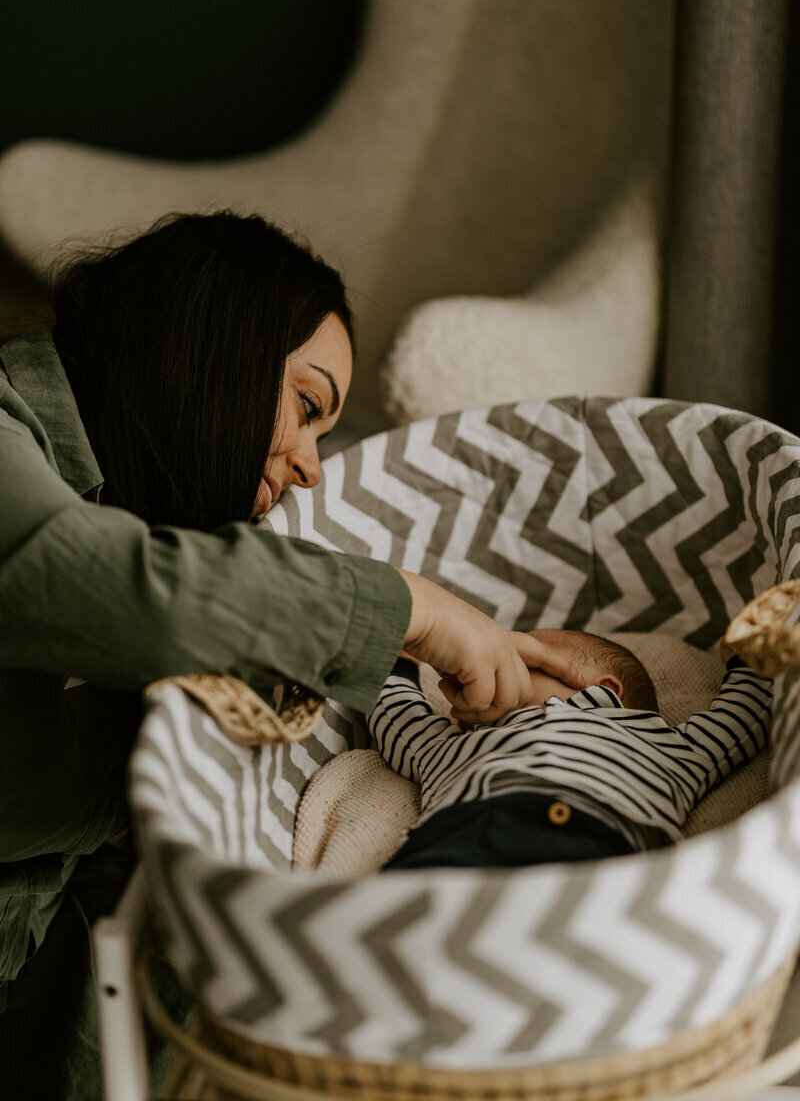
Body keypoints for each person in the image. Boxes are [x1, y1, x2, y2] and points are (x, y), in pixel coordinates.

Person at [0, 210, 584, 1100]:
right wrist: (409, 609)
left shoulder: (144, 525)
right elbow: (96, 585)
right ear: (213, 345)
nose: (311, 467)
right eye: (307, 407)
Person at [369, 629, 772, 870]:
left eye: (523, 660)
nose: (498, 667)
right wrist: (393, 661)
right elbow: (398, 718)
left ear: (603, 690)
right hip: (452, 845)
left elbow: (742, 718)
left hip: (593, 847)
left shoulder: (665, 745)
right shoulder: (452, 746)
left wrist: (751, 662)